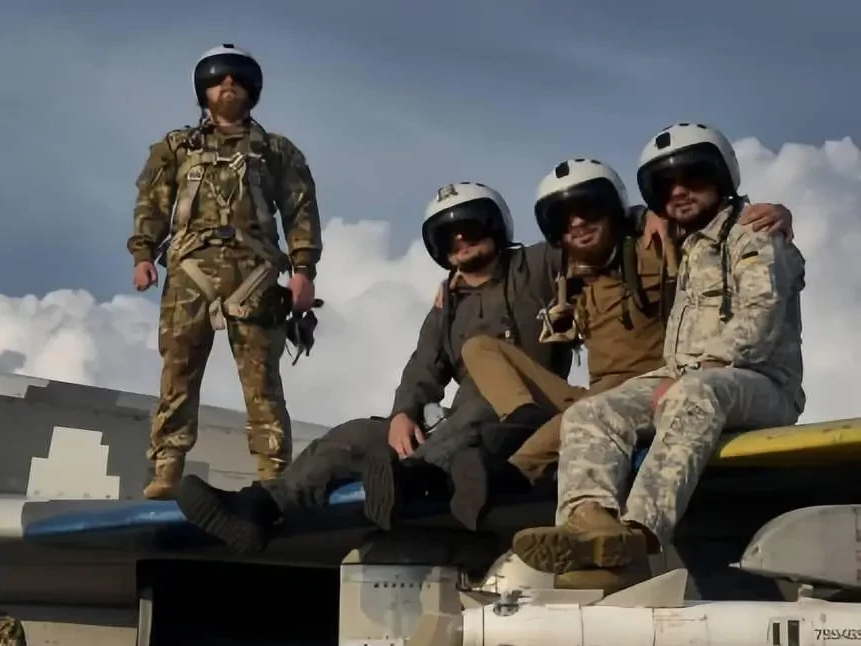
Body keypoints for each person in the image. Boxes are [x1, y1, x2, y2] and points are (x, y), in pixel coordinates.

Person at [174, 182, 573, 554]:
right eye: (448, 236)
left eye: (470, 227)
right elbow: (422, 369)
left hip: (523, 414)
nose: (460, 240)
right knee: (355, 435)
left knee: (479, 408)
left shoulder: (537, 267)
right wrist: (403, 414)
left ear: (494, 225)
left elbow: (587, 243)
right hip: (460, 425)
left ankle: (411, 480)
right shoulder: (448, 308)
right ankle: (261, 506)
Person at [511, 122, 807, 592]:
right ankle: (591, 527)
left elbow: (760, 319)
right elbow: (608, 220)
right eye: (666, 186)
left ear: (722, 176)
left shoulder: (753, 233)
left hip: (761, 383)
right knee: (591, 412)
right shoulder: (685, 245)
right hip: (686, 379)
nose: (679, 191)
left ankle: (639, 536)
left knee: (693, 393)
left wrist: (699, 372)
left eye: (694, 178)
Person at [446, 158, 793, 533]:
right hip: (598, 395)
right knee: (480, 348)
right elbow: (505, 270)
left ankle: (514, 475)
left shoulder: (656, 245)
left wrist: (778, 214)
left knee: (583, 416)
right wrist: (460, 279)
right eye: (564, 219)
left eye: (590, 209)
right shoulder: (566, 271)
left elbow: (707, 224)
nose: (577, 224)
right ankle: (525, 424)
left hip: (656, 382)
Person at [127, 44, 323, 499]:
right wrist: (142, 254)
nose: (228, 83)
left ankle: (273, 476)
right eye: (218, 76)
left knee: (262, 379)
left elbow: (300, 209)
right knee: (177, 372)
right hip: (189, 271)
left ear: (253, 88)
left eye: (238, 76)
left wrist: (303, 269)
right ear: (203, 89)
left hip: (254, 273)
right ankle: (166, 469)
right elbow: (151, 204)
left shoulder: (276, 150)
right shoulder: (175, 147)